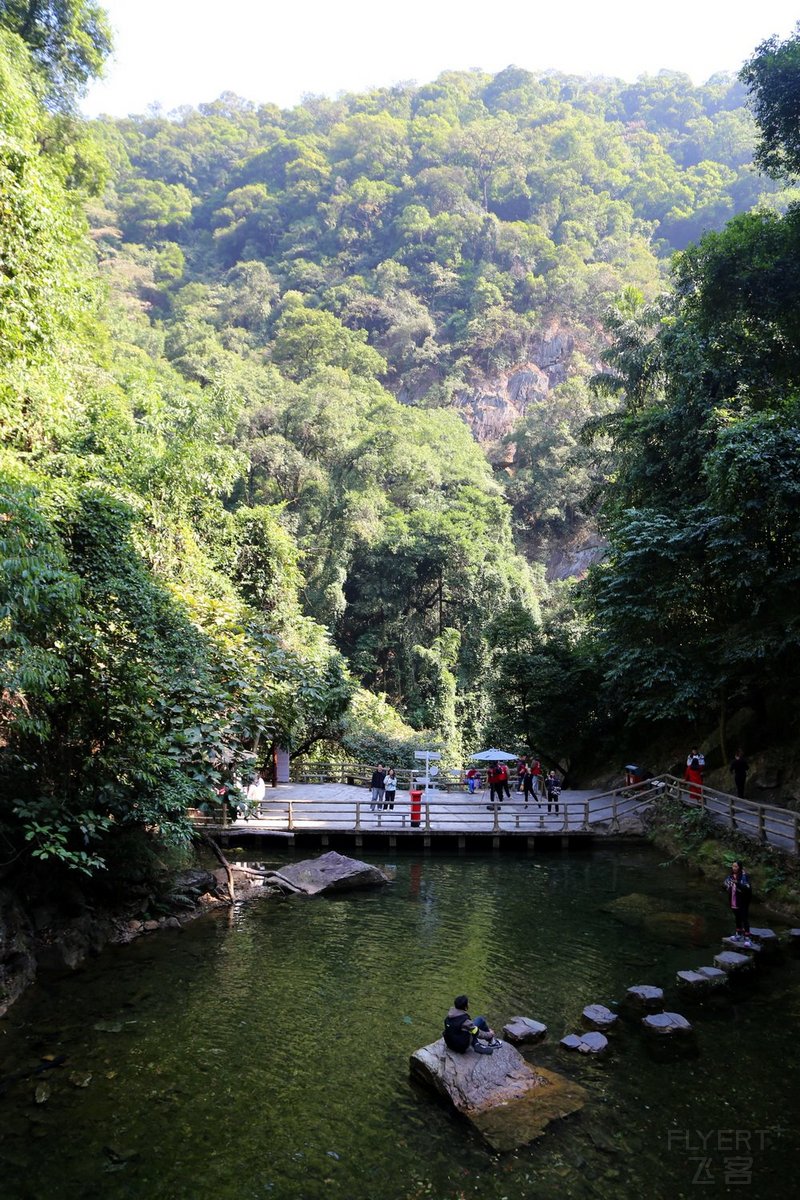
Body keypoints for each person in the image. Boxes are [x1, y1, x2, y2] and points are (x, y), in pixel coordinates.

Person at [723, 861, 752, 944]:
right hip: (734, 900)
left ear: (739, 867)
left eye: (736, 866)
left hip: (743, 901)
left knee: (744, 918)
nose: (734, 868)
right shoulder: (731, 876)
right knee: (737, 917)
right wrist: (727, 885)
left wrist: (737, 883)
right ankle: (738, 934)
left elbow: (747, 888)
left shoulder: (744, 876)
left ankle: (747, 938)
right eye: (733, 866)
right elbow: (726, 884)